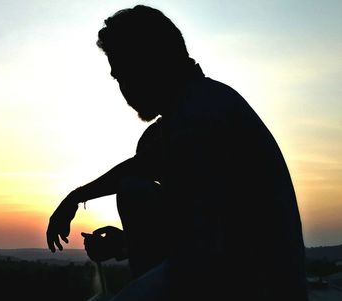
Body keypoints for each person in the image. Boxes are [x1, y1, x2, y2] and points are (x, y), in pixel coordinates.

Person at [46, 5, 308, 300]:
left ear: (148, 64)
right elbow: (144, 170)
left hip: (255, 287)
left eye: (122, 75)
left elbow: (206, 259)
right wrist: (117, 236)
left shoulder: (198, 119)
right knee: (134, 190)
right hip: (240, 271)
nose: (124, 90)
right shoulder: (198, 107)